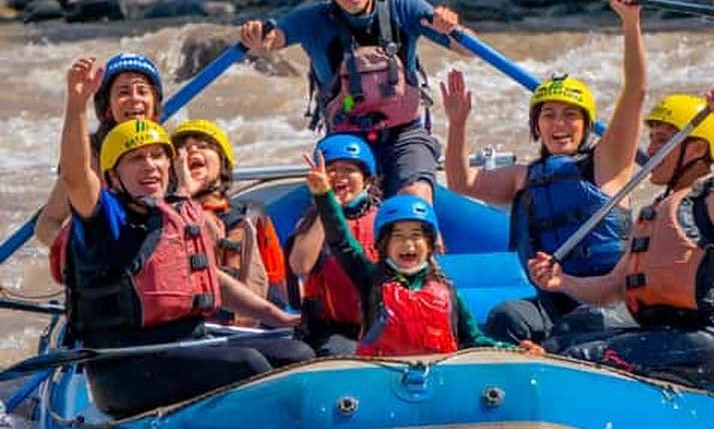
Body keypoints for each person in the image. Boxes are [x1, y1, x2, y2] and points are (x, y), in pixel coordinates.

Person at [54, 57, 308, 417]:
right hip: (126, 366)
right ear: (112, 177)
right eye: (136, 159)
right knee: (249, 364)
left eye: (158, 156)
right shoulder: (105, 218)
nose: (150, 166)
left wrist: (275, 316)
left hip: (185, 343)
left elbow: (207, 276)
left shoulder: (172, 210)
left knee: (299, 355)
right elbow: (77, 175)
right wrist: (76, 105)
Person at [529, 84, 714, 390]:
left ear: (695, 148)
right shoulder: (657, 210)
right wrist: (562, 281)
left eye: (663, 140)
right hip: (664, 334)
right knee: (570, 328)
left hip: (706, 343)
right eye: (652, 139)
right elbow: (613, 287)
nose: (651, 150)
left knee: (574, 355)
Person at [441, 0, 646, 346]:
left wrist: (631, 22)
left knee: (576, 329)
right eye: (548, 115)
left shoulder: (607, 164)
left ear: (586, 125)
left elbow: (636, 91)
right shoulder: (525, 176)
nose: (559, 124)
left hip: (608, 303)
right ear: (537, 126)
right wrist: (457, 124)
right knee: (506, 318)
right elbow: (462, 183)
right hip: (554, 305)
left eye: (570, 116)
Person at [240, 0, 463, 204]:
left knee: (414, 197)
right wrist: (257, 37)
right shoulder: (312, 21)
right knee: (344, 199)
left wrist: (450, 26)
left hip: (406, 134)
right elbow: (272, 39)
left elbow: (468, 48)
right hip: (345, 135)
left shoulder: (405, 9)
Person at [305, 152, 545, 357]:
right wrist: (325, 196)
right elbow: (343, 243)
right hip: (382, 380)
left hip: (437, 382)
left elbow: (475, 340)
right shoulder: (371, 280)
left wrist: (515, 351)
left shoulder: (448, 290)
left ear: (430, 245)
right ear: (383, 245)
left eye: (416, 236)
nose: (408, 244)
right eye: (398, 236)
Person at [36, 52, 163, 247]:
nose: (134, 99)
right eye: (123, 92)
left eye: (142, 91)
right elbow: (47, 225)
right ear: (108, 108)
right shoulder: (90, 157)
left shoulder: (168, 152)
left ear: (154, 105)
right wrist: (80, 255)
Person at [171, 119, 288, 308]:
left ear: (223, 163)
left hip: (251, 325)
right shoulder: (165, 217)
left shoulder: (252, 215)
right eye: (181, 152)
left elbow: (277, 285)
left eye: (203, 146)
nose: (191, 151)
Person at [288, 134, 380, 356]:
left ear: (366, 180)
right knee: (342, 351)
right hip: (331, 329)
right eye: (332, 169)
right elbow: (300, 266)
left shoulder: (384, 219)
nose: (340, 176)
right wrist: (327, 206)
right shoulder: (311, 221)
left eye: (349, 169)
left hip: (380, 322)